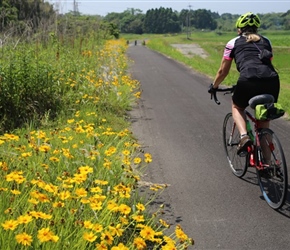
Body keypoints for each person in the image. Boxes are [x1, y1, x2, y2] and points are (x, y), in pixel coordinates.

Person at [208, 12, 280, 155]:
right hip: (272, 80)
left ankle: (243, 136)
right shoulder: (267, 41)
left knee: (237, 106)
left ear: (239, 29)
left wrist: (214, 86)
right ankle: (268, 164)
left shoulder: (233, 43)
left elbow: (223, 71)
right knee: (263, 118)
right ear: (257, 28)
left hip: (248, 79)